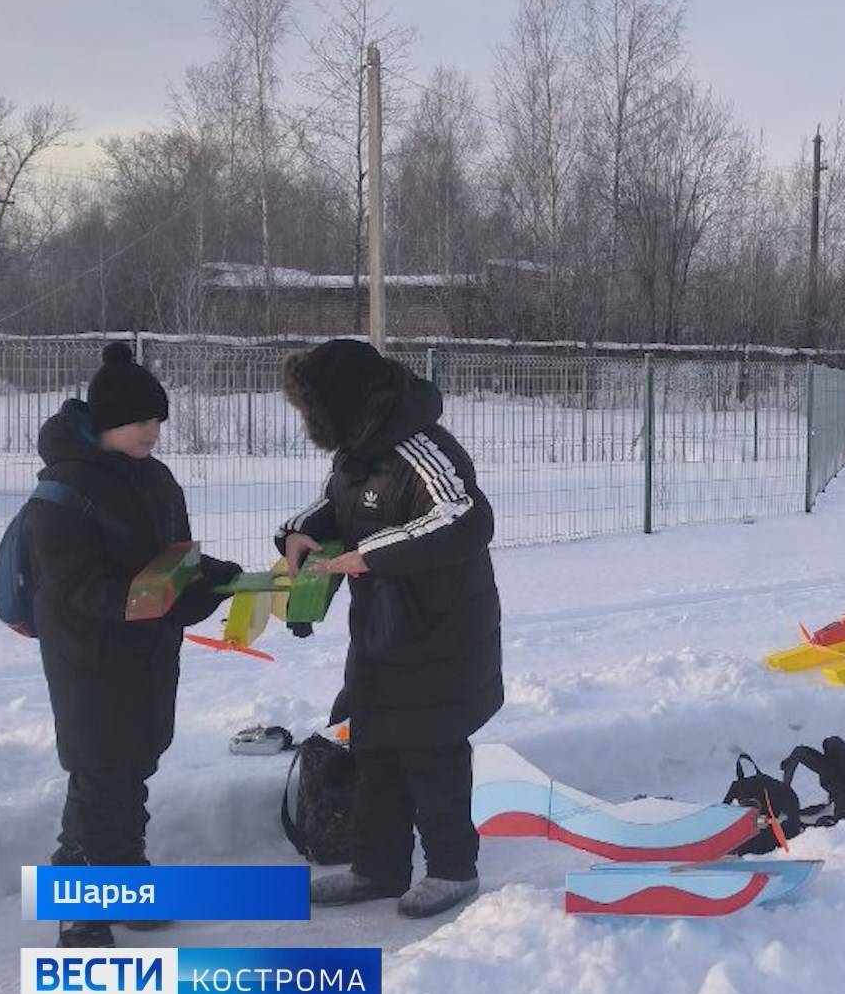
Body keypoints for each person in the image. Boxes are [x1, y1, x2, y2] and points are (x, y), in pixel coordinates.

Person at [277, 339, 502, 920]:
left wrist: (371, 555)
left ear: (350, 404)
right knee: (373, 743)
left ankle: (454, 869)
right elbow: (339, 505)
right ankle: (376, 868)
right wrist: (299, 531)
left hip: (441, 630)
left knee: (431, 750)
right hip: (381, 630)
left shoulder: (423, 448)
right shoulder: (359, 449)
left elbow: (467, 518)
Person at [27, 342, 241, 948]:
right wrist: (141, 602)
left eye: (156, 421)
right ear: (104, 422)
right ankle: (82, 909)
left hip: (147, 648)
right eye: (138, 421)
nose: (151, 431)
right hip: (87, 653)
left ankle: (113, 876)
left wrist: (212, 580)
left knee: (130, 764)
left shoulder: (156, 478)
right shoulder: (63, 491)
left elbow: (174, 559)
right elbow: (74, 585)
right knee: (102, 769)